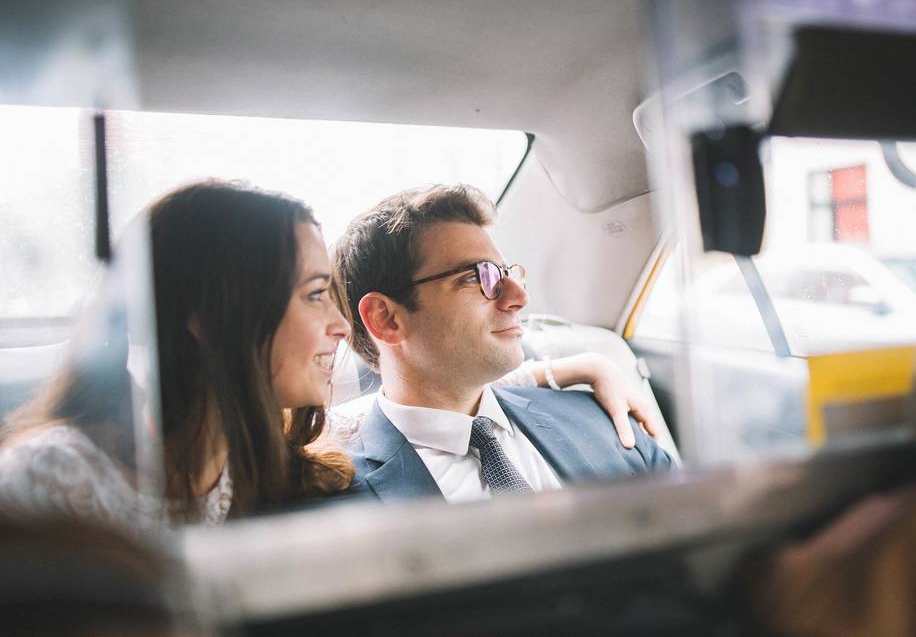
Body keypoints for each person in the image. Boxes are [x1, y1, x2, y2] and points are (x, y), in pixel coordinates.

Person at [0, 180, 658, 531]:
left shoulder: (257, 465)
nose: (340, 326)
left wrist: (575, 366)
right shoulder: (49, 478)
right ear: (208, 316)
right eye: (318, 295)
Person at [335, 184, 673, 503]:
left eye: (507, 273)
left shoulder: (603, 418)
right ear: (385, 318)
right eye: (476, 277)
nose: (520, 297)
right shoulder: (336, 501)